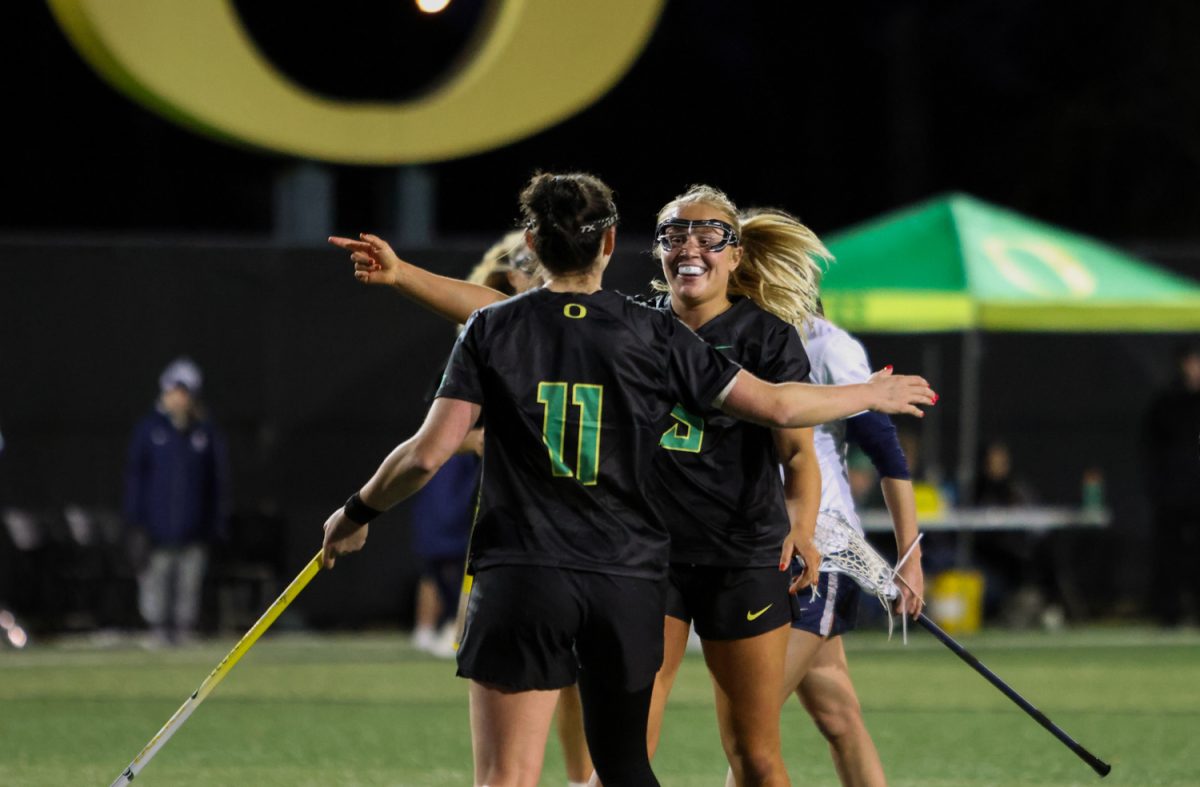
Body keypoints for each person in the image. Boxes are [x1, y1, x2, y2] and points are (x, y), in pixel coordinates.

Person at [321, 171, 935, 787]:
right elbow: (508, 314)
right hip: (647, 562)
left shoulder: (754, 335)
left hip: (734, 556)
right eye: (674, 233)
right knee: (625, 756)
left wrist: (804, 520)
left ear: (736, 252)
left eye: (709, 235)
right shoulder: (645, 325)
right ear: (625, 244)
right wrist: (869, 393)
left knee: (752, 752)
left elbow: (793, 441)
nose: (690, 247)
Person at [763, 301, 924, 787]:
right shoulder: (744, 334)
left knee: (753, 720)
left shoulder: (828, 345)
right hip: (770, 545)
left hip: (821, 552)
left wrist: (909, 558)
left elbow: (887, 453)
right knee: (838, 717)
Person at [123, 357, 229, 645]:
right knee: (156, 590)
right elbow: (135, 480)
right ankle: (156, 636)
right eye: (175, 391)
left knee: (187, 591)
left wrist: (215, 526)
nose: (180, 399)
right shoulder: (148, 431)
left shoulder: (204, 433)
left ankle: (183, 637)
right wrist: (135, 525)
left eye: (185, 393)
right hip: (156, 533)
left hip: (193, 533)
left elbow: (216, 484)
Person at [1142, 342, 1200, 626]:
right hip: (1173, 494)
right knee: (1170, 555)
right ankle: (1168, 612)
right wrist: (1158, 488)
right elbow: (1151, 450)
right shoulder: (1166, 403)